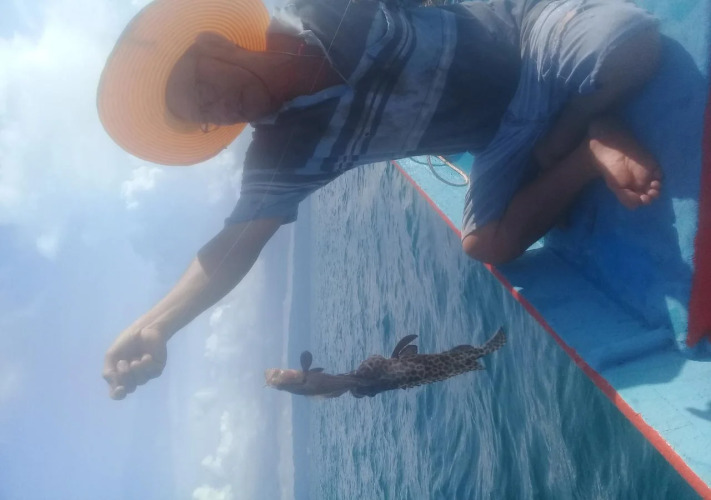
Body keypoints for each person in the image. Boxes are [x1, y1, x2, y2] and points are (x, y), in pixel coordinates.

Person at [99, 0, 662, 399]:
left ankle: (566, 134)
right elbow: (233, 246)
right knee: (487, 243)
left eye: (201, 91)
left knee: (628, 43)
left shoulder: (326, 8)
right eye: (204, 117)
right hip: (505, 139)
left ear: (211, 43)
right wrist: (158, 324)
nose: (218, 111)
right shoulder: (283, 152)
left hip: (528, 35)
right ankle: (585, 149)